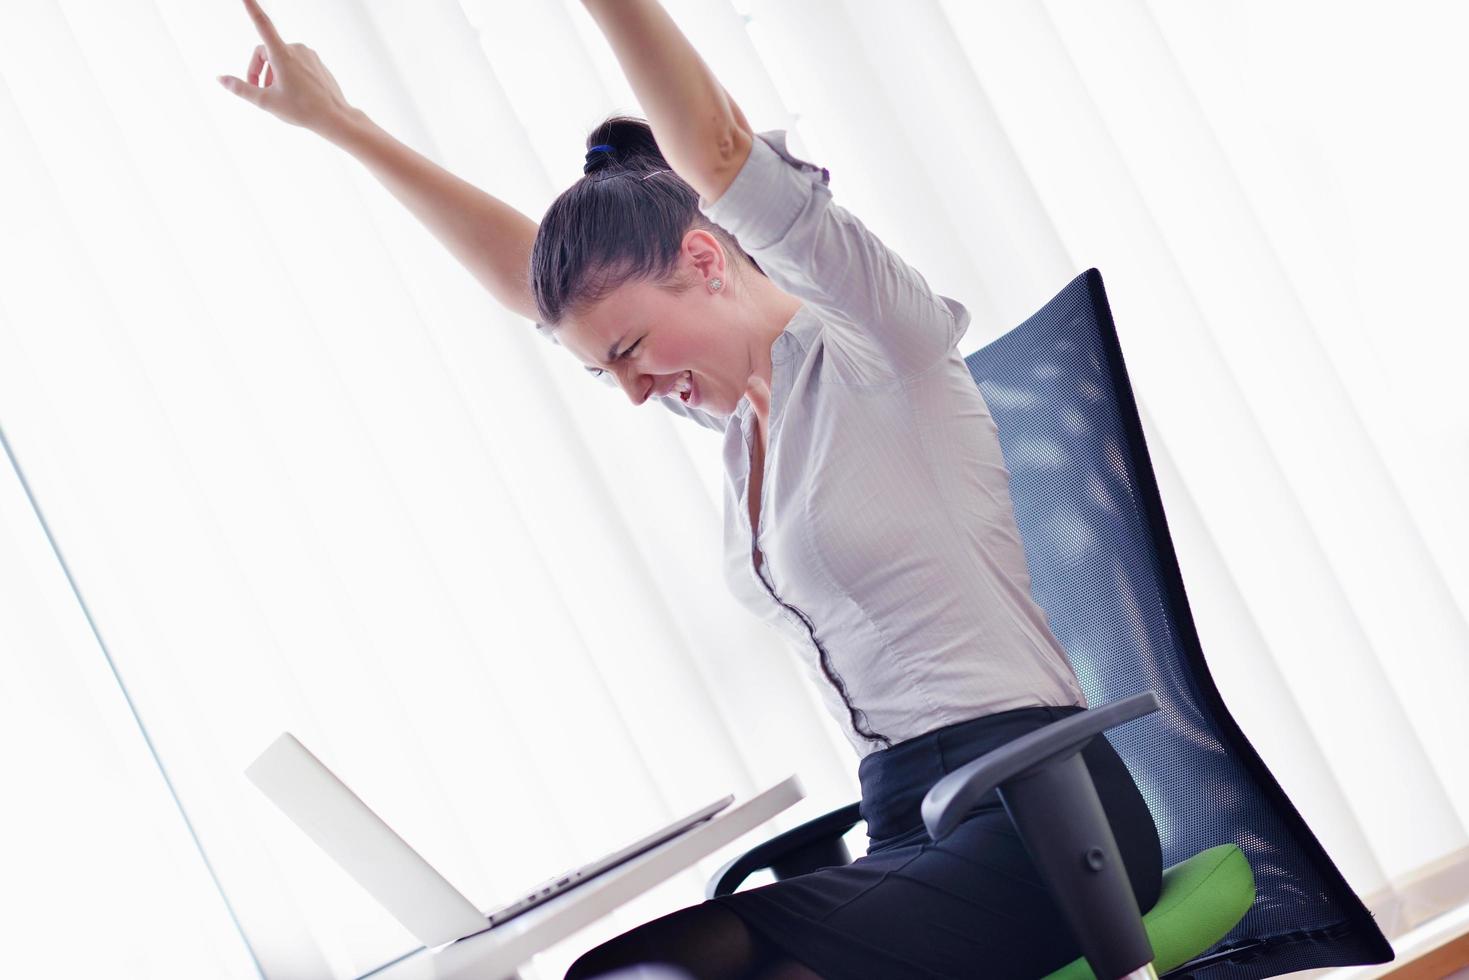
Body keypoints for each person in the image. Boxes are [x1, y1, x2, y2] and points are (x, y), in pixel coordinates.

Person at [219, 1, 1163, 977]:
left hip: (1045, 821)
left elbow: (716, 154)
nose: (631, 392)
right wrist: (343, 125)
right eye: (605, 372)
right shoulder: (744, 424)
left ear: (704, 259)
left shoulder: (880, 349)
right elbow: (528, 279)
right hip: (906, 827)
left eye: (628, 352)